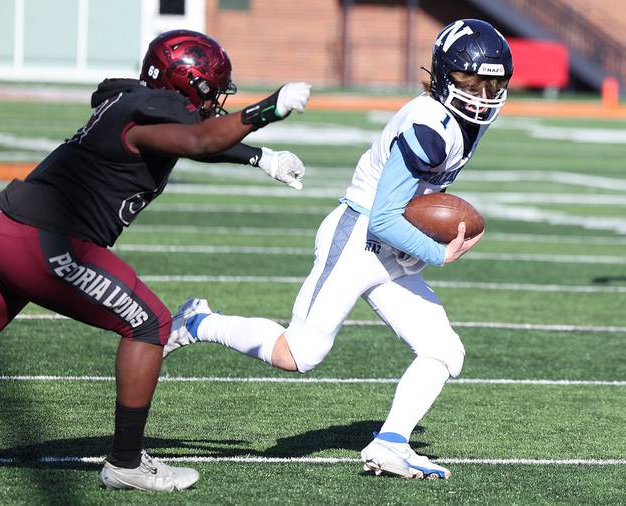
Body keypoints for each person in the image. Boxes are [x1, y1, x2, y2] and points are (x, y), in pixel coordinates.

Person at [0, 29, 311, 491]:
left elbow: (184, 136)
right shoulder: (155, 113)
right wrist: (270, 109)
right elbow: (201, 139)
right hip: (43, 242)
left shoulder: (134, 104)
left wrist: (258, 157)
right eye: (214, 91)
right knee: (150, 324)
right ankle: (126, 463)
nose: (217, 100)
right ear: (190, 83)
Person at [165, 19, 513, 480]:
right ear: (447, 75)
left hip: (392, 250)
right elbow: (386, 217)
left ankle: (391, 443)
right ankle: (197, 321)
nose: (484, 94)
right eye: (474, 81)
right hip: (359, 240)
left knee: (444, 349)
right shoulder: (429, 125)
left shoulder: (464, 119)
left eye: (494, 83)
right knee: (299, 355)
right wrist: (436, 253)